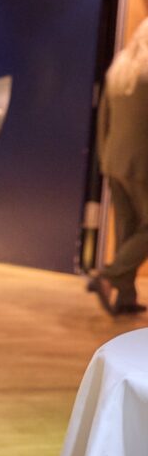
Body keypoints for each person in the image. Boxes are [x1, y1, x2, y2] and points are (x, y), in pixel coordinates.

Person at [89, 18, 148, 316]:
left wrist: (105, 158)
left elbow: (104, 119)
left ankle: (125, 297)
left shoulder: (119, 69)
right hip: (143, 163)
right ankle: (110, 276)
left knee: (127, 226)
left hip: (114, 160)